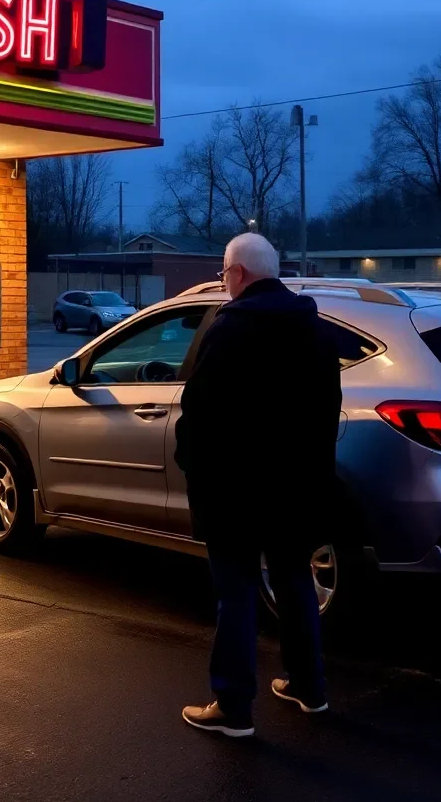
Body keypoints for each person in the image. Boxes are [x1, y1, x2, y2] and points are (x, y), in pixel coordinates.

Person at [175, 233, 342, 738]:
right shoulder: (313, 329)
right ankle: (308, 686)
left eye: (225, 275)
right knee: (293, 582)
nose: (225, 284)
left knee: (238, 590)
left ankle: (232, 705)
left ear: (239, 273)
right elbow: (325, 411)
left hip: (236, 491)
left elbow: (198, 412)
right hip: (297, 489)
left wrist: (192, 463)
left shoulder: (229, 330)